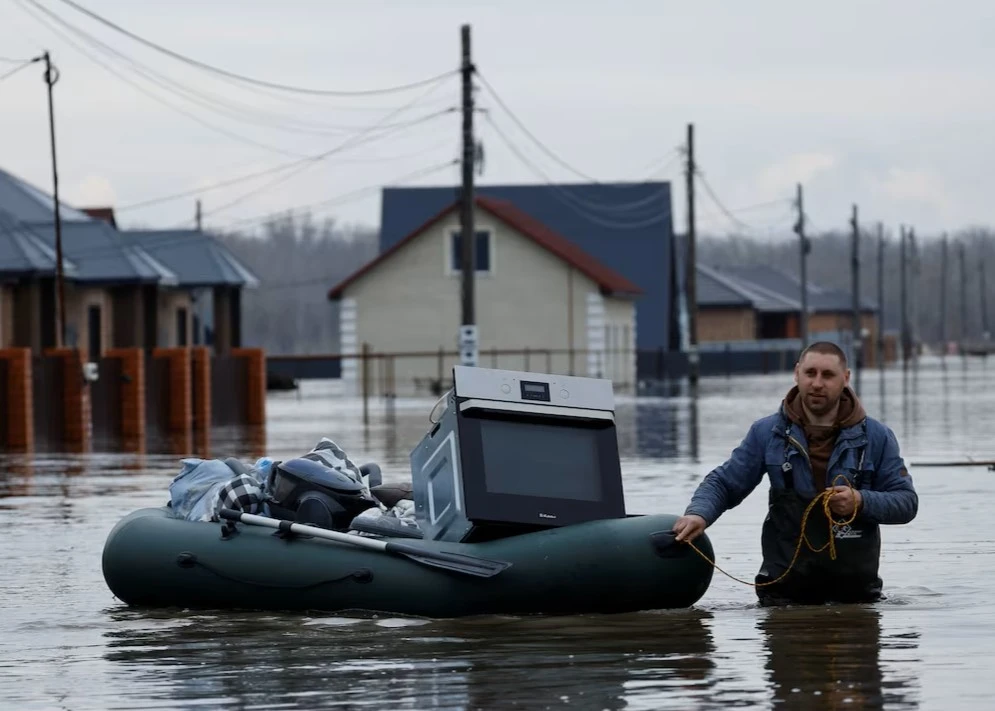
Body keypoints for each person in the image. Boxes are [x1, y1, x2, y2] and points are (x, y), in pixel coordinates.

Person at [672, 341, 918, 605]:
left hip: (856, 600)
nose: (817, 383)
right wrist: (699, 513)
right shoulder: (766, 433)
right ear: (797, 373)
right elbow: (723, 483)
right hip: (783, 597)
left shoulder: (877, 437)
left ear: (845, 378)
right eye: (810, 373)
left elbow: (906, 502)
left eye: (828, 375)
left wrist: (860, 501)